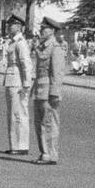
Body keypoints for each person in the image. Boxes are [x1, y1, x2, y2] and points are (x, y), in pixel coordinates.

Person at [32, 16, 67, 164]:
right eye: (41, 28)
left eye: (44, 28)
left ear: (52, 31)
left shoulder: (55, 48)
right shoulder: (42, 47)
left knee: (49, 123)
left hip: (48, 91)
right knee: (39, 123)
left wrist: (55, 92)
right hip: (40, 89)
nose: (41, 30)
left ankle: (51, 154)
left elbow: (57, 73)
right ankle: (44, 153)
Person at [1, 14, 34, 155]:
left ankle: (20, 146)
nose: (8, 27)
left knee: (18, 113)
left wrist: (26, 84)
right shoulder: (12, 42)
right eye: (8, 25)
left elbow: (26, 63)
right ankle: (16, 145)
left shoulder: (20, 43)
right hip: (12, 79)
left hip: (17, 81)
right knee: (14, 113)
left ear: (19, 27)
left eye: (11, 25)